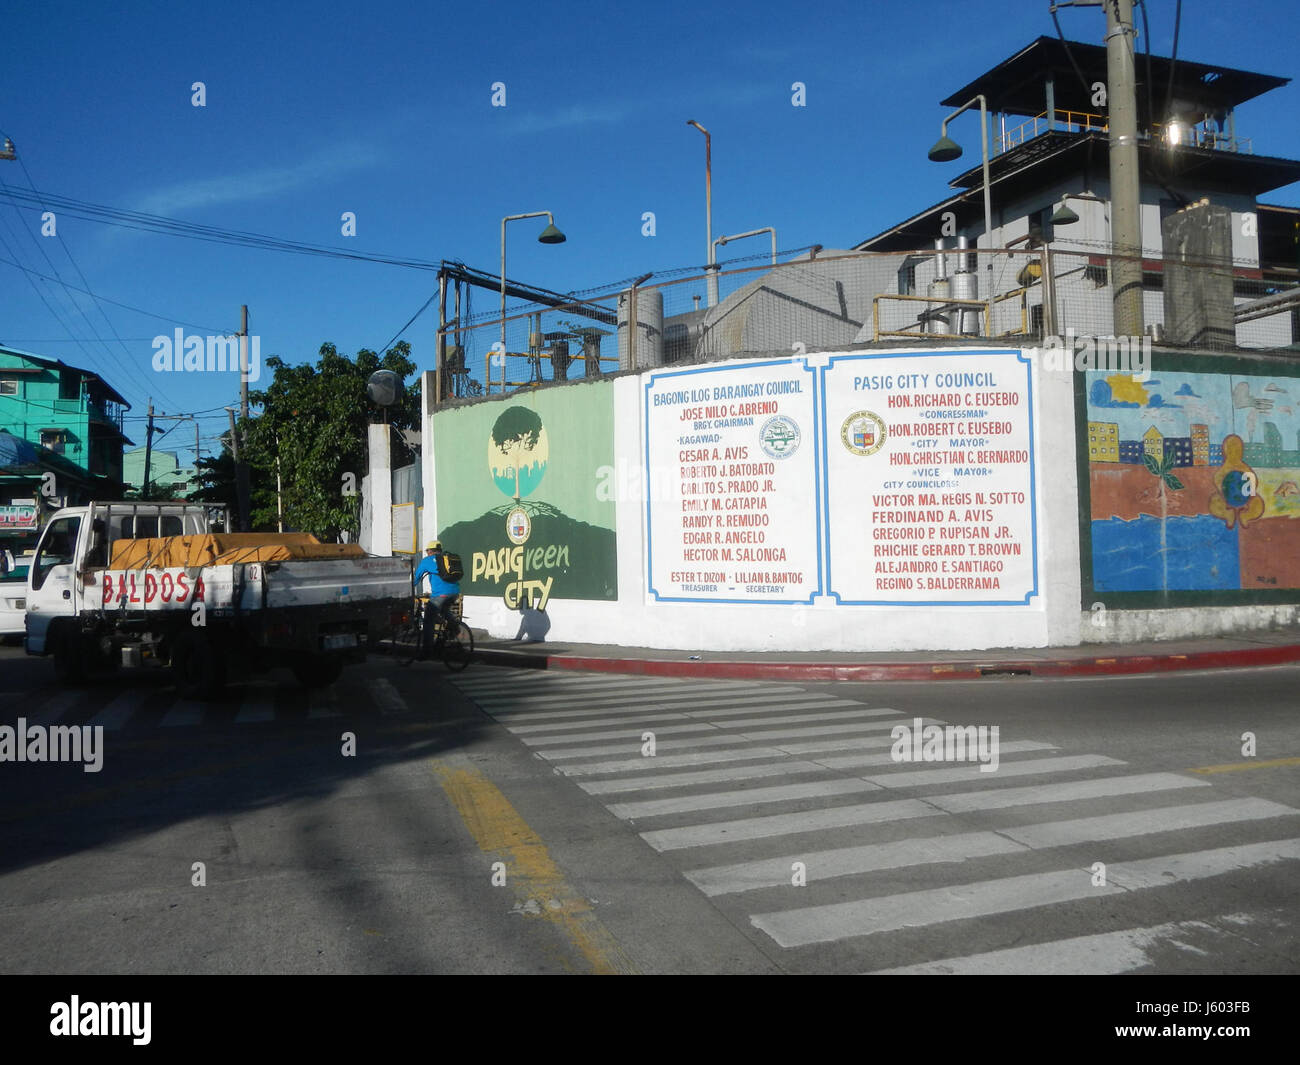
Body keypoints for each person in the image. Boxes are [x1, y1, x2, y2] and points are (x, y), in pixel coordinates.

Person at [412, 540, 460, 656]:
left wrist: (407, 590)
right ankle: (454, 627)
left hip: (440, 594)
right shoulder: (447, 559)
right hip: (455, 592)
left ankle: (427, 651)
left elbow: (416, 577)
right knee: (444, 609)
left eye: (427, 551)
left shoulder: (427, 561)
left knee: (428, 619)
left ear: (429, 551)